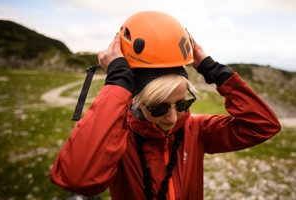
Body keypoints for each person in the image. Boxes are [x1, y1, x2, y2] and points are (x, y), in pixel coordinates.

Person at [50, 11, 281, 200]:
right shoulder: (119, 139)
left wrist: (211, 68)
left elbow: (263, 125)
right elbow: (77, 179)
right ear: (137, 103)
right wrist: (117, 82)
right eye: (159, 108)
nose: (172, 117)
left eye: (182, 104)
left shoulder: (197, 131)